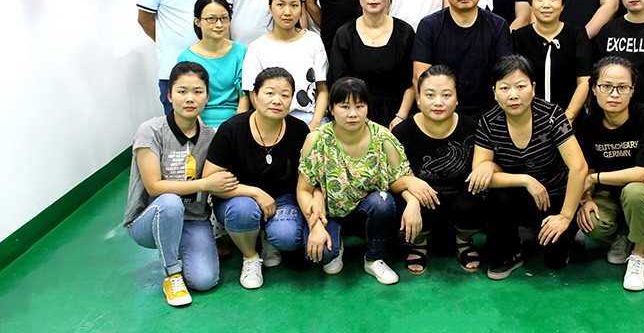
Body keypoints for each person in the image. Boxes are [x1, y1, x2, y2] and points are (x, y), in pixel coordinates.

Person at [124, 61, 237, 306]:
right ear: (169, 95)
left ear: (207, 96)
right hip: (149, 219)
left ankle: (178, 247)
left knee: (205, 280)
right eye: (182, 91)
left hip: (193, 219)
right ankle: (172, 274)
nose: (190, 98)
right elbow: (154, 187)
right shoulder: (151, 131)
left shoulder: (211, 136)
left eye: (197, 91)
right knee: (170, 202)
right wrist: (205, 184)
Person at [297, 77, 429, 285]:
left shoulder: (383, 137)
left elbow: (402, 178)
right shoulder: (317, 139)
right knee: (321, 255)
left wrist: (413, 202)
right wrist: (315, 225)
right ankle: (337, 243)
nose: (353, 113)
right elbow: (304, 190)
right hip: (329, 213)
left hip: (365, 213)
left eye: (359, 106)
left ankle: (373, 259)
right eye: (345, 106)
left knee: (383, 201)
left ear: (367, 107)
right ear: (331, 109)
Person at [468, 55, 588, 280]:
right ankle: (512, 251)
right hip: (519, 196)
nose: (513, 95)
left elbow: (579, 168)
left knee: (555, 261)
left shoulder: (552, 116)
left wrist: (565, 216)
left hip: (555, 196)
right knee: (497, 198)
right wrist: (526, 180)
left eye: (521, 86)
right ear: (494, 92)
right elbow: (480, 175)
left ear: (533, 88)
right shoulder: (489, 122)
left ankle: (569, 234)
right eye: (504, 88)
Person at [202, 67, 311, 289]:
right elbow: (210, 180)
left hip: (283, 197)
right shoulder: (232, 129)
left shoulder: (299, 130)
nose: (277, 100)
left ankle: (268, 238)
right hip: (238, 198)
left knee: (288, 238)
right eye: (269, 93)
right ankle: (250, 256)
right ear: (255, 96)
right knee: (243, 210)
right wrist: (255, 192)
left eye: (284, 95)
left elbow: (309, 176)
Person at [576, 56, 644, 292]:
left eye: (622, 87)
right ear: (594, 88)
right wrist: (587, 198)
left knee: (634, 191)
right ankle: (624, 234)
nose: (614, 94)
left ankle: (640, 255)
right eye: (606, 86)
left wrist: (594, 179)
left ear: (632, 90)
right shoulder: (589, 122)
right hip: (610, 196)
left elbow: (642, 174)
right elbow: (589, 168)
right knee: (591, 222)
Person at [392, 65, 487, 274]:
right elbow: (392, 181)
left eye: (446, 95)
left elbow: (489, 163)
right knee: (403, 201)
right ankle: (418, 243)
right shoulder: (402, 132)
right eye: (430, 95)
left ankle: (463, 241)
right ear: (418, 99)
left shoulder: (473, 128)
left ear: (457, 99)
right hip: (423, 202)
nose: (438, 102)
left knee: (477, 201)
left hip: (460, 202)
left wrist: (488, 166)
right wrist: (411, 192)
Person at [412, 0, 514, 119]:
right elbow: (420, 76)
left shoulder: (498, 25)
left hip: (489, 114)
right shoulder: (429, 26)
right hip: (442, 112)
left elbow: (506, 75)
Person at [328, 0, 415, 129]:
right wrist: (359, 118)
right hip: (356, 117)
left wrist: (401, 117)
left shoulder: (405, 33)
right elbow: (338, 83)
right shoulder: (345, 34)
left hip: (397, 118)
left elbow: (411, 82)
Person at [242, 0, 328, 130]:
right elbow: (254, 95)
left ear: (301, 8)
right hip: (272, 120)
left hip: (310, 118)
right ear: (270, 8)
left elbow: (322, 89)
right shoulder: (257, 47)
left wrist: (314, 124)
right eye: (280, 5)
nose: (287, 12)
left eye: (294, 5)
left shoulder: (313, 41)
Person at [512, 0, 591, 126]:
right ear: (530, 4)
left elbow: (584, 81)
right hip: (528, 122)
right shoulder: (519, 37)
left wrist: (567, 118)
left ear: (563, 4)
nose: (546, 5)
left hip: (571, 121)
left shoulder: (577, 35)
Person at [177, 0, 248, 127]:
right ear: (197, 21)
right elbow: (186, 99)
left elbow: (244, 96)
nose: (219, 25)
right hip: (198, 123)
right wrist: (203, 131)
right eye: (211, 19)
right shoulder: (187, 57)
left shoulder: (240, 51)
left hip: (235, 122)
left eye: (224, 18)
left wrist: (235, 127)